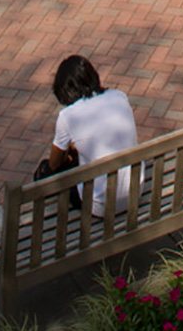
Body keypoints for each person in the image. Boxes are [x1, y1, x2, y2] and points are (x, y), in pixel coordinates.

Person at [39, 55, 140, 216]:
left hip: (100, 205)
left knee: (44, 172)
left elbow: (54, 164)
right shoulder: (119, 96)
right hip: (135, 194)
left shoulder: (68, 116)